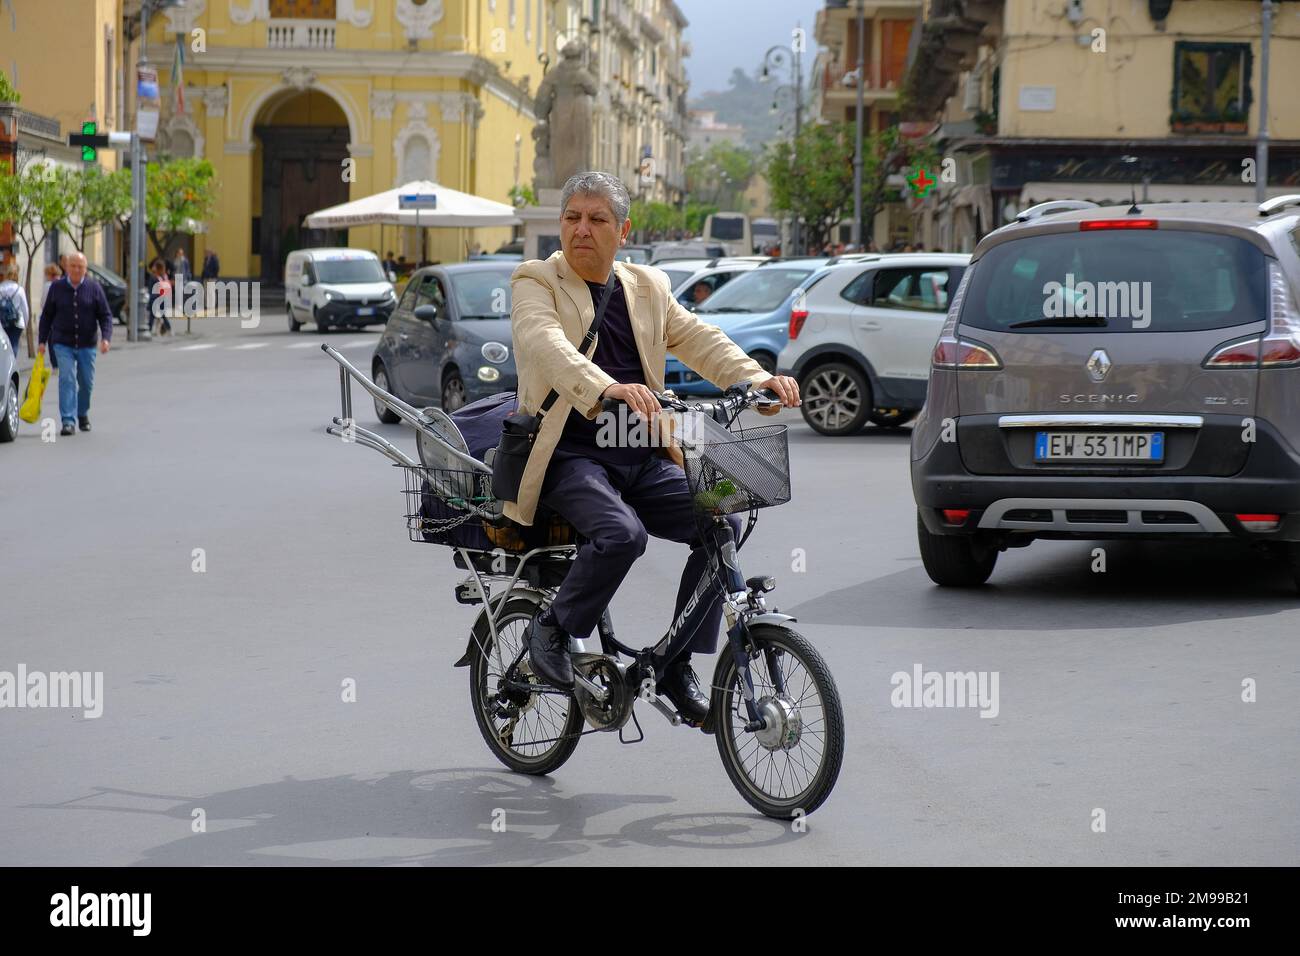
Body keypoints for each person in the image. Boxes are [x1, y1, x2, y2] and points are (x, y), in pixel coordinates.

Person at [509, 171, 800, 723]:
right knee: (622, 535)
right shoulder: (535, 280)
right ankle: (551, 628)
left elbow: (700, 340)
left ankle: (675, 663)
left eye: (597, 219)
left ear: (623, 230)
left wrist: (757, 380)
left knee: (723, 523)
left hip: (640, 450)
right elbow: (542, 343)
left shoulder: (647, 286)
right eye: (572, 218)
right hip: (569, 456)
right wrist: (606, 386)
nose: (582, 230)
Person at [36, 252, 112, 436]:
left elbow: (105, 315)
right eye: (73, 266)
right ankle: (68, 421)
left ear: (86, 269)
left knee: (86, 383)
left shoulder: (94, 288)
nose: (77, 269)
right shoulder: (57, 287)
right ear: (67, 267)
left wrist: (106, 338)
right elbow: (47, 316)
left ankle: (82, 413)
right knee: (67, 379)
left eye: (81, 266)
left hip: (87, 344)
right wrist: (42, 341)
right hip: (63, 343)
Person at [1, 260, 29, 355]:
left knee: (4, 345)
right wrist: (26, 322)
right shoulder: (19, 289)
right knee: (14, 343)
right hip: (17, 321)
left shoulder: (0, 288)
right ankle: (12, 365)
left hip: (3, 321)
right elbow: (25, 309)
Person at [148, 258, 173, 336]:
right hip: (156, 299)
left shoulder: (163, 277)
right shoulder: (154, 277)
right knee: (154, 315)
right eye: (163, 268)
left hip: (162, 299)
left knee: (160, 315)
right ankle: (151, 329)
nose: (164, 270)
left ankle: (166, 329)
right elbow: (151, 289)